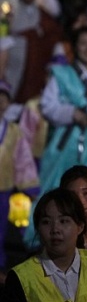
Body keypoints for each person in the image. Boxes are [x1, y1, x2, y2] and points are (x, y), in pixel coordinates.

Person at [28, 27, 87, 248]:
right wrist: (72, 113)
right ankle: (52, 239)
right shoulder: (62, 74)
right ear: (75, 48)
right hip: (67, 144)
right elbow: (48, 106)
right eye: (83, 43)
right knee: (60, 192)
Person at [0, 79, 39, 271]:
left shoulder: (14, 132)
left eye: (3, 98)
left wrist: (28, 185)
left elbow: (23, 160)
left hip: (5, 189)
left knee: (5, 226)